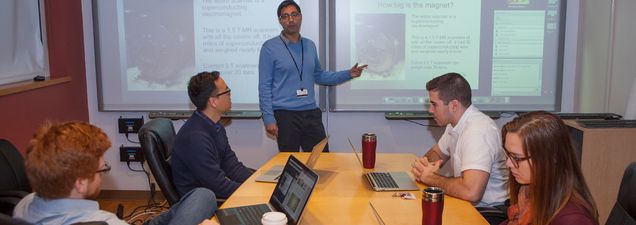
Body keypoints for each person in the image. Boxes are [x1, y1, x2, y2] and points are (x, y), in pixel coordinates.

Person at [13, 121, 217, 225]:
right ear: (80, 183)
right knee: (204, 196)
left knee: (201, 195)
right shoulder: (106, 222)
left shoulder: (23, 206)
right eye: (102, 169)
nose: (103, 173)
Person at [258, 0, 367, 152]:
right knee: (291, 164)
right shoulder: (269, 47)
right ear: (280, 21)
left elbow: (319, 75)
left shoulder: (309, 45)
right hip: (285, 116)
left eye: (294, 14)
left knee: (322, 160)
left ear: (300, 17)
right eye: (285, 16)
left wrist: (348, 74)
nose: (291, 19)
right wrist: (269, 119)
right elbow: (264, 87)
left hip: (310, 113)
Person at [410, 73, 509, 222]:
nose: (430, 110)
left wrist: (430, 177)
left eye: (434, 104)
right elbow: (437, 153)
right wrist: (424, 165)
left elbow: (471, 192)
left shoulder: (478, 131)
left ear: (454, 105)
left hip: (490, 212)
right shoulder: (454, 124)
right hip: (469, 205)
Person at [500, 111, 598, 225]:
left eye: (517, 157)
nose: (508, 163)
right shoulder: (529, 191)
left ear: (552, 158)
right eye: (508, 154)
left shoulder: (573, 220)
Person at [172, 71, 253, 199]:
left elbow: (231, 165)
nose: (230, 95)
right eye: (227, 91)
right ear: (213, 102)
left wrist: (255, 182)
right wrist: (252, 193)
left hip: (212, 191)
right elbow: (219, 186)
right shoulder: (195, 138)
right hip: (199, 202)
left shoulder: (215, 126)